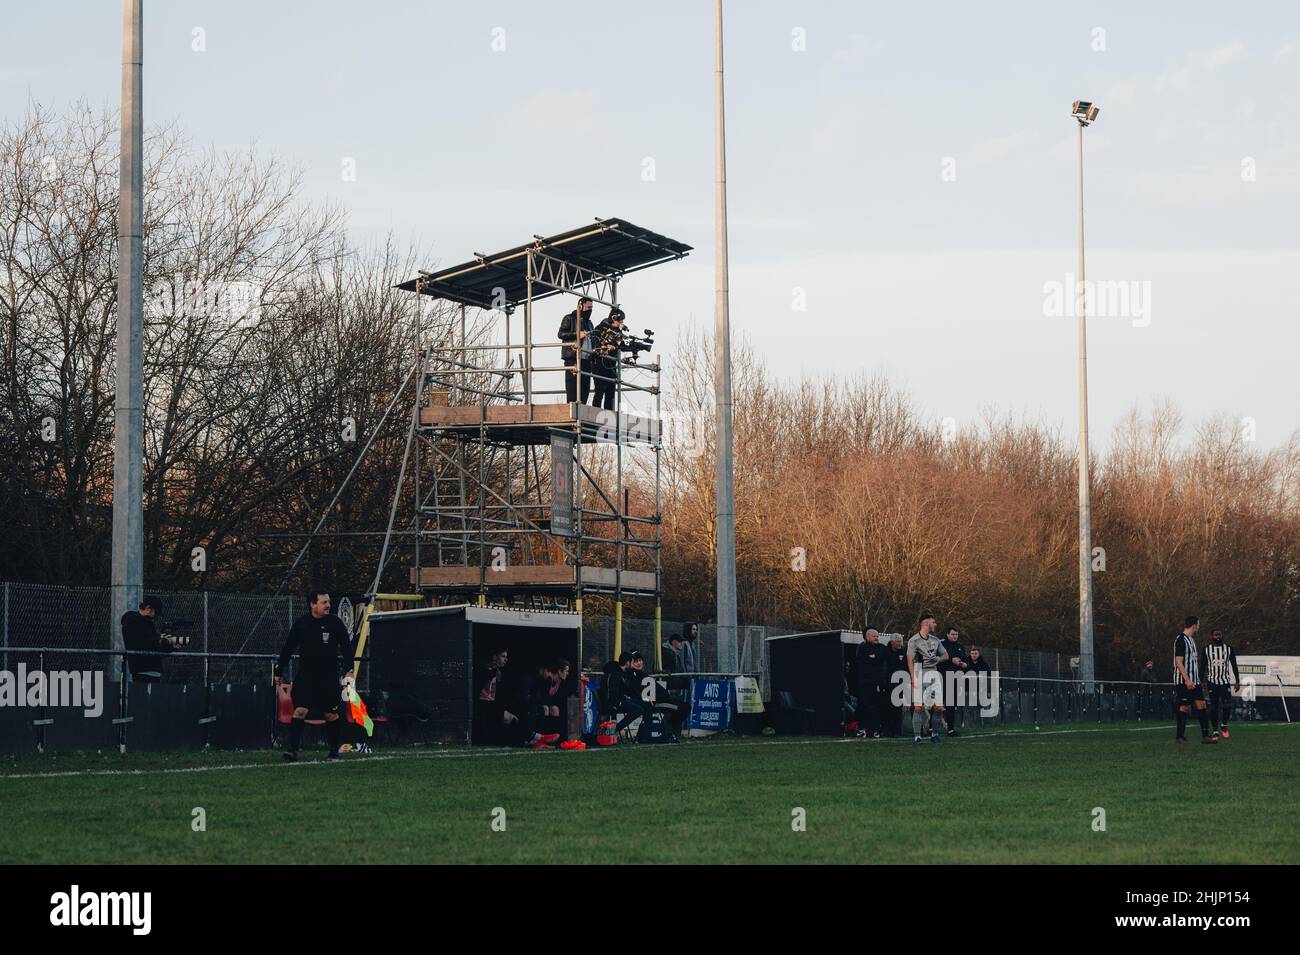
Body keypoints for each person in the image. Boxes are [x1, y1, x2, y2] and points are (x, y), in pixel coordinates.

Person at [274, 590, 355, 761]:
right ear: (313, 604)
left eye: (328, 602)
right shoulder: (302, 624)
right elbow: (288, 648)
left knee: (330, 715)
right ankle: (292, 751)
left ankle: (334, 751)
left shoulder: (335, 623)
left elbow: (347, 647)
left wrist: (350, 669)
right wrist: (278, 670)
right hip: (307, 676)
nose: (328, 605)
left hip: (328, 677)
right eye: (324, 602)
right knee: (300, 711)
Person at [1173, 615, 1217, 745]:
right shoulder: (1180, 640)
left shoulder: (1191, 640)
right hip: (1183, 681)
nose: (1199, 627)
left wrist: (1196, 680)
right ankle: (1179, 737)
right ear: (1194, 626)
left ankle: (1205, 736)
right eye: (1198, 625)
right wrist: (1187, 680)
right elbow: (1178, 662)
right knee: (1184, 707)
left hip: (1194, 681)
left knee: (1201, 705)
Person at [907, 613, 949, 745]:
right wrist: (914, 678)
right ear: (926, 624)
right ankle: (917, 736)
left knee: (938, 707)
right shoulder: (914, 641)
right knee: (919, 707)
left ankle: (935, 734)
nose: (935, 624)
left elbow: (946, 655)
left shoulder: (935, 640)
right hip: (920, 674)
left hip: (934, 675)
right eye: (933, 622)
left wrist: (938, 659)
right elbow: (910, 660)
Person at [120, 596, 184, 682]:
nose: (155, 615)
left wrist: (170, 646)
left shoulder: (144, 622)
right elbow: (149, 643)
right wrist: (167, 643)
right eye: (156, 612)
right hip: (144, 667)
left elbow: (153, 642)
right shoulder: (134, 622)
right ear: (148, 608)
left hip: (146, 667)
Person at [1200, 629, 1240, 740]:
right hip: (1212, 682)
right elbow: (1202, 667)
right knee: (1214, 707)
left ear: (1222, 636)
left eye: (1219, 634)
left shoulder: (1228, 649)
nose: (1217, 636)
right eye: (1215, 634)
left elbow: (1234, 665)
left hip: (1225, 682)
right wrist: (1201, 682)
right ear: (1211, 636)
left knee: (1227, 705)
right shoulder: (1206, 650)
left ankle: (1224, 725)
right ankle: (1215, 731)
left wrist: (1237, 681)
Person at [854, 629, 892, 739]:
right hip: (865, 683)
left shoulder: (882, 647)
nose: (877, 638)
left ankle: (875, 730)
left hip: (879, 683)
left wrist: (874, 657)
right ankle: (861, 729)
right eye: (874, 636)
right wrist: (874, 658)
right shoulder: (862, 647)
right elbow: (866, 658)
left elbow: (882, 656)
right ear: (867, 637)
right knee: (863, 705)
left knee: (878, 706)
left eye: (877, 636)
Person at [558, 296, 595, 404]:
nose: (590, 310)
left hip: (586, 358)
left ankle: (582, 407)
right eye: (588, 307)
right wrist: (577, 334)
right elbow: (560, 334)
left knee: (585, 387)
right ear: (580, 306)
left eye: (591, 307)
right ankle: (571, 407)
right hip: (572, 356)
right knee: (572, 385)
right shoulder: (569, 318)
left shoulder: (589, 323)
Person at [590, 307, 629, 411]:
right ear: (613, 318)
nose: (621, 323)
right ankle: (595, 415)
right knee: (599, 391)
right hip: (599, 364)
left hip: (611, 364)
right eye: (619, 320)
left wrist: (633, 345)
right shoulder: (600, 328)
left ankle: (609, 417)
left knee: (611, 393)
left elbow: (623, 345)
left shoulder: (617, 330)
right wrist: (605, 347)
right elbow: (594, 343)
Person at [938, 627, 969, 736]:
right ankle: (931, 729)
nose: (955, 636)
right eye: (952, 634)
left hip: (955, 678)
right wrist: (951, 660)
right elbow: (935, 659)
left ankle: (950, 729)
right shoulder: (940, 644)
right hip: (941, 677)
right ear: (947, 634)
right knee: (936, 703)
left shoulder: (960, 646)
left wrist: (963, 664)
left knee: (951, 704)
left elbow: (966, 661)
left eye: (956, 634)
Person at [885, 634, 909, 737]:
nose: (900, 643)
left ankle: (897, 731)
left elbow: (906, 667)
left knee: (898, 708)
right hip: (887, 684)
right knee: (887, 707)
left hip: (899, 684)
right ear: (892, 642)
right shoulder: (885, 652)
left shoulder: (903, 653)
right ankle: (888, 730)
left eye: (901, 641)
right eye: (898, 641)